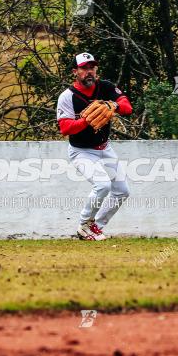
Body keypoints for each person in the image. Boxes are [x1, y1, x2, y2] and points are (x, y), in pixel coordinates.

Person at [56, 53, 133, 240]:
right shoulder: (67, 97)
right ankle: (84, 225)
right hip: (81, 151)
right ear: (75, 72)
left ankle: (96, 226)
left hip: (104, 148)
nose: (89, 72)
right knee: (103, 185)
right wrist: (86, 120)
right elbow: (65, 128)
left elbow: (127, 107)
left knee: (122, 191)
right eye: (84, 68)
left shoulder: (105, 87)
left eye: (92, 67)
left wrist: (113, 105)